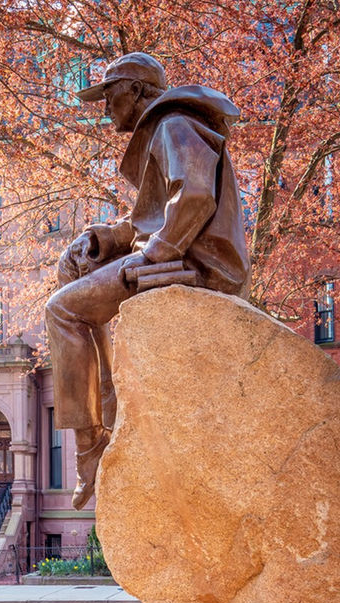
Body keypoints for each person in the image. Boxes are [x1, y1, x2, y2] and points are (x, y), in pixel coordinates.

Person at [45, 52, 250, 510]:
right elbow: (158, 209)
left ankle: (89, 446)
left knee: (60, 309)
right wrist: (111, 236)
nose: (104, 107)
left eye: (109, 92)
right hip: (183, 255)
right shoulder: (168, 128)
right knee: (72, 267)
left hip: (202, 267)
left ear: (135, 90)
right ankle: (108, 405)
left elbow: (194, 196)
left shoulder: (174, 124)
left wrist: (157, 252)